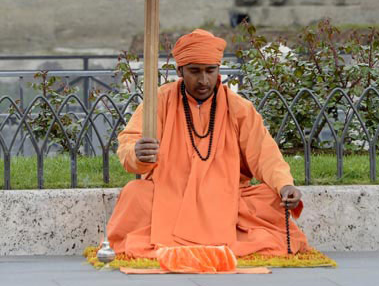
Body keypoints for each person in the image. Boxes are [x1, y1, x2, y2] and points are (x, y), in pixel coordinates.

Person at [106, 29, 309, 257]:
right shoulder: (159, 101)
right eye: (195, 71)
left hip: (226, 197)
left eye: (210, 71)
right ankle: (217, 244)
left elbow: (264, 154)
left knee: (269, 197)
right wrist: (137, 153)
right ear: (179, 70)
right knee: (135, 193)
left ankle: (186, 243)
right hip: (171, 195)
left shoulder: (238, 107)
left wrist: (285, 185)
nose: (203, 80)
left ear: (218, 70)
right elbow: (129, 143)